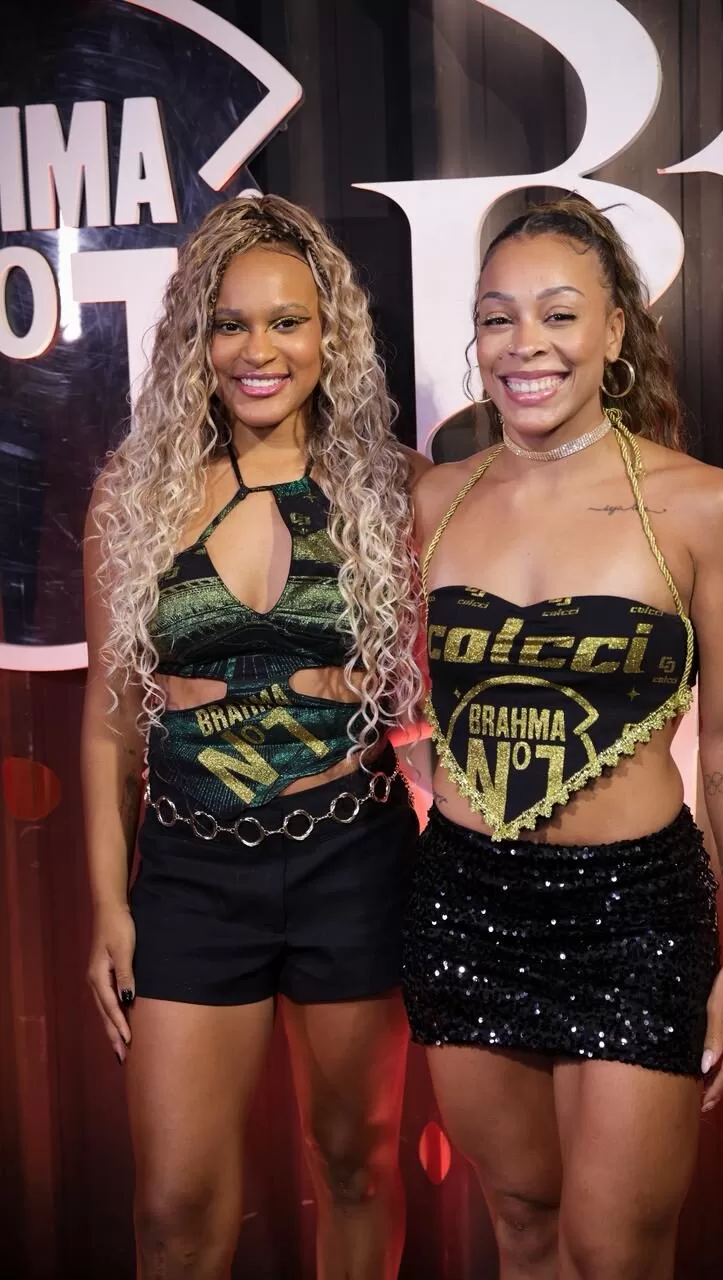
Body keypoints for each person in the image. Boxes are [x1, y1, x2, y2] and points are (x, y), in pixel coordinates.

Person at [403, 195, 723, 1280]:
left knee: (615, 1251)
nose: (527, 344)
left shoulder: (701, 508)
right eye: (498, 317)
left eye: (559, 314)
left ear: (615, 332)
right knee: (521, 1225)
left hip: (634, 919)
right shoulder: (432, 501)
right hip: (465, 904)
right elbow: (400, 694)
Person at [82, 194, 427, 1280]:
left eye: (287, 322)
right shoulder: (136, 495)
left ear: (331, 336)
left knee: (357, 1164)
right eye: (230, 324)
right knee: (173, 1208)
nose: (258, 350)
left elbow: (436, 695)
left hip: (352, 860)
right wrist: (109, 906)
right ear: (197, 339)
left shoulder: (396, 486)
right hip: (191, 872)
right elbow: (109, 722)